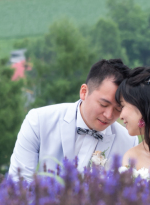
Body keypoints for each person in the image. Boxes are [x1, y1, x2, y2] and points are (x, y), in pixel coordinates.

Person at [8, 58, 139, 180]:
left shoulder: (128, 141)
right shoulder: (38, 121)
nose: (109, 115)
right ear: (84, 92)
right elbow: (19, 181)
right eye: (103, 104)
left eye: (118, 109)